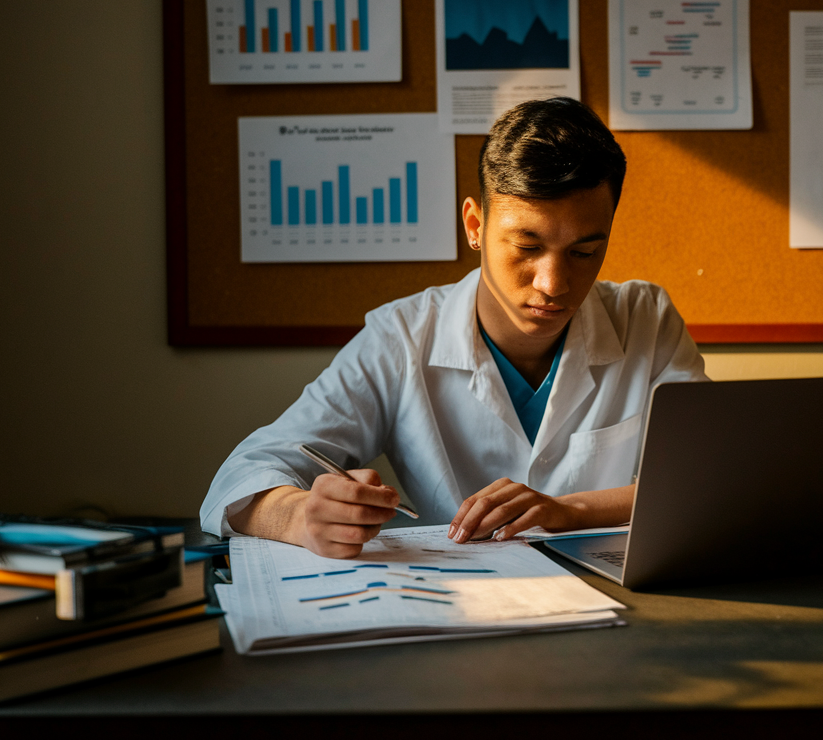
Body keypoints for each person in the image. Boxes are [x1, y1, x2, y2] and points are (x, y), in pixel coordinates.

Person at [199, 97, 707, 558]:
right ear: (475, 226)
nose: (553, 283)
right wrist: (299, 515)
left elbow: (708, 479)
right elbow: (240, 479)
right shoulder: (401, 336)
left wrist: (569, 510)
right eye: (527, 248)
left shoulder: (646, 317)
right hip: (458, 613)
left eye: (584, 252)